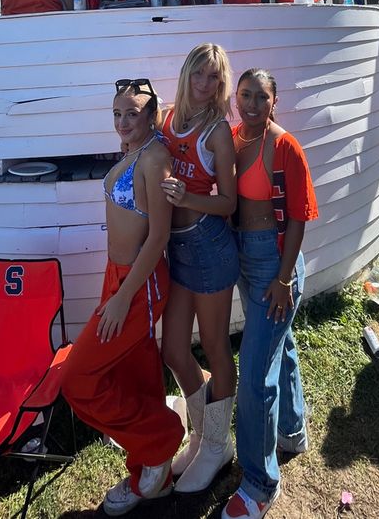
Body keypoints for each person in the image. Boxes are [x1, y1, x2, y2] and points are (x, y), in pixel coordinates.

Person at [61, 79, 184, 516]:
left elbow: (158, 238)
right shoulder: (133, 152)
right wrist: (112, 287)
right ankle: (154, 475)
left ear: (152, 115)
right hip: (117, 278)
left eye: (132, 113)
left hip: (139, 283)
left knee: (77, 381)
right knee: (136, 374)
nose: (123, 122)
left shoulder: (154, 159)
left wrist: (121, 297)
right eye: (117, 114)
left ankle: (163, 437)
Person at [222, 68, 318, 519]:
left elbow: (297, 216)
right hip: (242, 254)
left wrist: (283, 280)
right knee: (282, 342)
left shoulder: (285, 147)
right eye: (246, 95)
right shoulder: (233, 138)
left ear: (274, 101)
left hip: (273, 262)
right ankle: (293, 430)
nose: (253, 104)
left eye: (261, 97)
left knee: (255, 374)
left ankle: (260, 482)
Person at [159, 43, 239, 493]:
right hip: (176, 247)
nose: (206, 85)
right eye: (199, 75)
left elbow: (228, 202)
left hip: (208, 246)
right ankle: (198, 434)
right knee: (173, 349)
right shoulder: (168, 116)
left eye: (214, 78)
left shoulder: (217, 132)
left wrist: (186, 198)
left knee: (214, 347)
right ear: (186, 73)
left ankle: (216, 445)